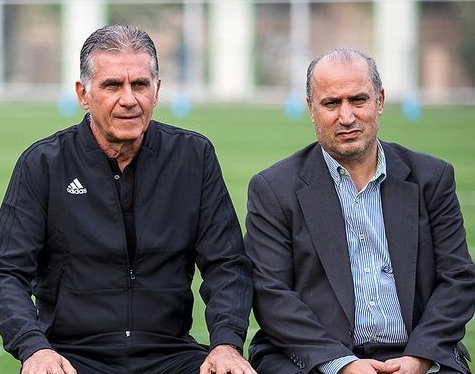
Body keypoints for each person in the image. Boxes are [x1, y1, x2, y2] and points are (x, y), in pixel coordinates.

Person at [0, 24, 256, 374]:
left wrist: (226, 343)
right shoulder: (43, 164)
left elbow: (227, 264)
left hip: (171, 354)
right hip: (72, 357)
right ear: (83, 94)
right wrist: (34, 349)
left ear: (157, 90)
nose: (129, 99)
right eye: (112, 85)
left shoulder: (193, 157)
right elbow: (7, 273)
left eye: (140, 84)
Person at [244, 47, 475, 374]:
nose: (347, 116)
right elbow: (271, 295)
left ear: (379, 101)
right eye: (331, 103)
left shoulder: (431, 178)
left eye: (358, 100)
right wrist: (343, 365)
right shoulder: (273, 189)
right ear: (311, 109)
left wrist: (419, 359)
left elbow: (458, 280)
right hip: (317, 359)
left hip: (416, 354)